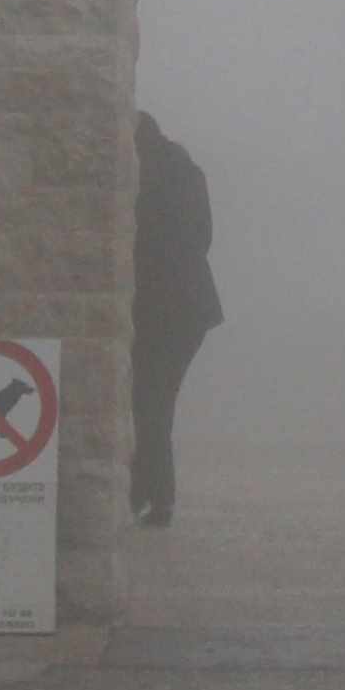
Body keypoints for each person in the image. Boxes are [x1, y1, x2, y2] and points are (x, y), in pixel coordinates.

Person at [131, 111, 223, 526]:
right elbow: (204, 236)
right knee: (155, 401)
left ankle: (153, 496)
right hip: (192, 307)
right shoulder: (186, 172)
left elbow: (143, 240)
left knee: (148, 401)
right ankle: (145, 493)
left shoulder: (142, 175)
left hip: (160, 308)